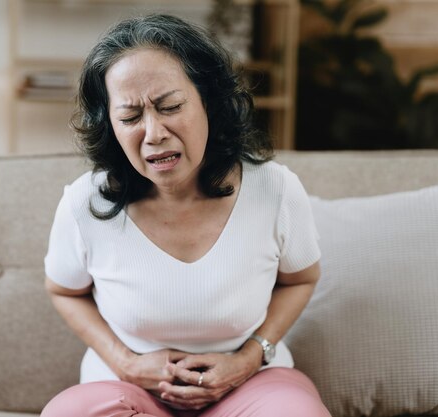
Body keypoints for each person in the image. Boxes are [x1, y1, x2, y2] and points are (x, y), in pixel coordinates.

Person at [41, 13, 331, 417]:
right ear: (110, 124)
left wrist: (248, 359)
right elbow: (64, 290)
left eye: (171, 106)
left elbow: (301, 279)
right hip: (127, 387)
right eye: (130, 117)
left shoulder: (274, 189)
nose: (154, 132)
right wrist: (125, 362)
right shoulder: (86, 202)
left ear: (209, 103)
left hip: (251, 385)